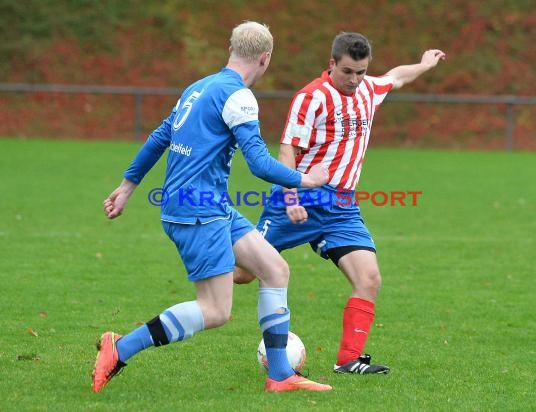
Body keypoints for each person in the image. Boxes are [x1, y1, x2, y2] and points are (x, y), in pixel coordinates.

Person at [92, 21, 333, 393]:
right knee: (216, 311)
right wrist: (307, 180)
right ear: (265, 58)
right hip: (197, 211)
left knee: (274, 268)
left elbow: (160, 136)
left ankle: (281, 375)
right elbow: (258, 164)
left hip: (208, 205)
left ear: (232, 49)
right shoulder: (239, 97)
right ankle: (120, 348)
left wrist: (128, 186)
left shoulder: (198, 88)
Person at [234, 32, 446, 374]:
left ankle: (349, 360)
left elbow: (396, 77)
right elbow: (288, 150)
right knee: (243, 273)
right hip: (300, 198)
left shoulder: (367, 90)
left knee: (369, 278)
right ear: (332, 63)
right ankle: (206, 253)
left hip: (342, 208)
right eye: (347, 71)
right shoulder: (311, 98)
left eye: (361, 72)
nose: (354, 80)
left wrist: (423, 64)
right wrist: (290, 197)